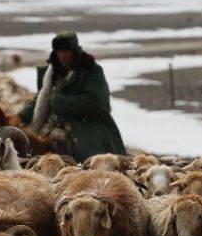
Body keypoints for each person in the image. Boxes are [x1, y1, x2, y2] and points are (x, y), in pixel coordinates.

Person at [19, 31, 126, 161]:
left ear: (74, 51)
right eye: (59, 53)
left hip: (88, 124)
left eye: (66, 52)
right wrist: (22, 115)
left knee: (89, 158)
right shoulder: (54, 73)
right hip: (54, 123)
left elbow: (97, 101)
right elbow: (42, 99)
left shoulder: (91, 71)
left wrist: (60, 103)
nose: (62, 56)